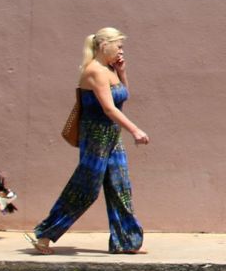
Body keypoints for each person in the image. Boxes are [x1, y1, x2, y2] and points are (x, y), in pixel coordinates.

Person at [30, 27, 148, 254]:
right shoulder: (95, 71)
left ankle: (126, 241)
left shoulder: (109, 69)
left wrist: (122, 72)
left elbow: (123, 96)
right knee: (86, 187)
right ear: (105, 46)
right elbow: (109, 108)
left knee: (120, 185)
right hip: (95, 136)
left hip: (111, 135)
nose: (122, 50)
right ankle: (45, 233)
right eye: (119, 46)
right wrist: (135, 130)